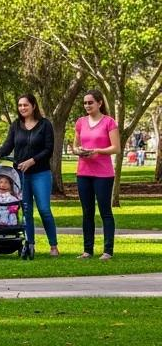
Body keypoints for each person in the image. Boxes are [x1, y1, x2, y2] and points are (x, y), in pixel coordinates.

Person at [0, 93, 60, 257]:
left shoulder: (45, 125)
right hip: (20, 175)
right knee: (26, 210)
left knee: (44, 209)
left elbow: (49, 149)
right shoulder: (15, 125)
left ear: (33, 106)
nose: (22, 108)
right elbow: (8, 145)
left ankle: (54, 245)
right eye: (20, 105)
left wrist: (32, 161)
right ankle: (30, 244)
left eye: (25, 105)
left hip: (40, 173)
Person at [74, 88, 120, 260]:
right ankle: (87, 250)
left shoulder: (109, 122)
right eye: (85, 103)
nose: (87, 105)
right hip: (83, 172)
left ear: (99, 103)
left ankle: (108, 250)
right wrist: (79, 151)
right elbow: (75, 146)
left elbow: (116, 148)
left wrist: (97, 151)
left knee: (105, 211)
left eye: (90, 102)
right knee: (87, 212)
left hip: (103, 174)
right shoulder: (80, 122)